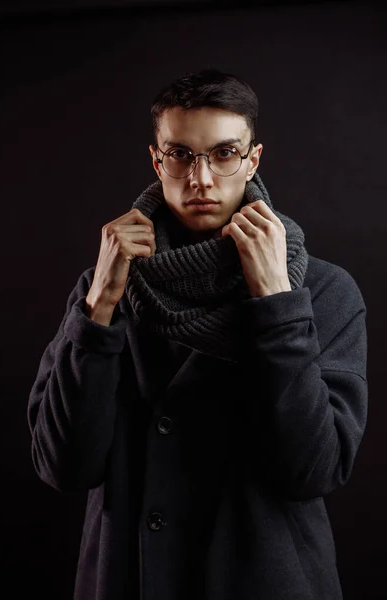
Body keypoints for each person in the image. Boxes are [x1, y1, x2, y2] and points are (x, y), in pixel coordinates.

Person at [27, 69, 368, 600]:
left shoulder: (323, 290)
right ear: (157, 160)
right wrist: (99, 309)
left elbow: (311, 471)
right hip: (129, 578)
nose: (202, 178)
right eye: (181, 155)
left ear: (252, 159)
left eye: (225, 153)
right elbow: (62, 466)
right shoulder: (104, 286)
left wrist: (277, 303)